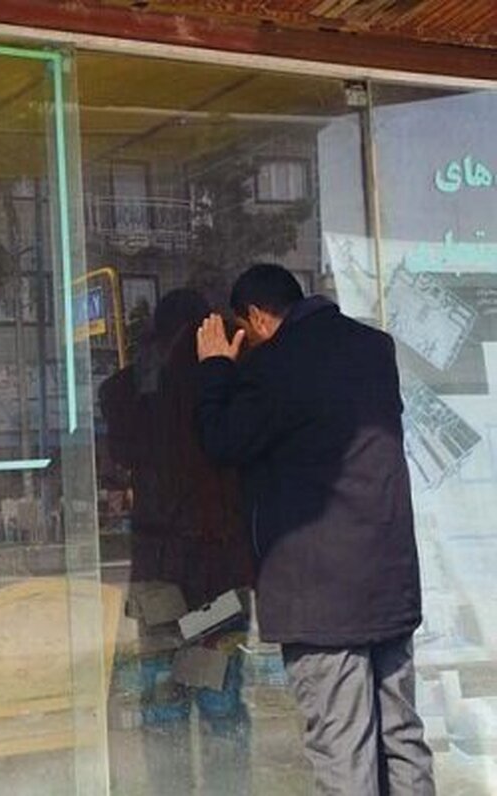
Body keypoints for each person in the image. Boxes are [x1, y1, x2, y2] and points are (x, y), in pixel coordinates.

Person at [194, 263, 434, 795]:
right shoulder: (374, 349)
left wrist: (215, 368)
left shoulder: (275, 364)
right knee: (401, 737)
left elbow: (223, 441)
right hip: (389, 582)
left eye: (244, 329)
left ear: (257, 317)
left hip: (320, 598)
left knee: (343, 751)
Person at [100, 289, 254, 793]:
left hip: (159, 573)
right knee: (219, 700)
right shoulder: (226, 386)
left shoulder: (132, 390)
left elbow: (120, 441)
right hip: (217, 574)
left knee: (165, 701)